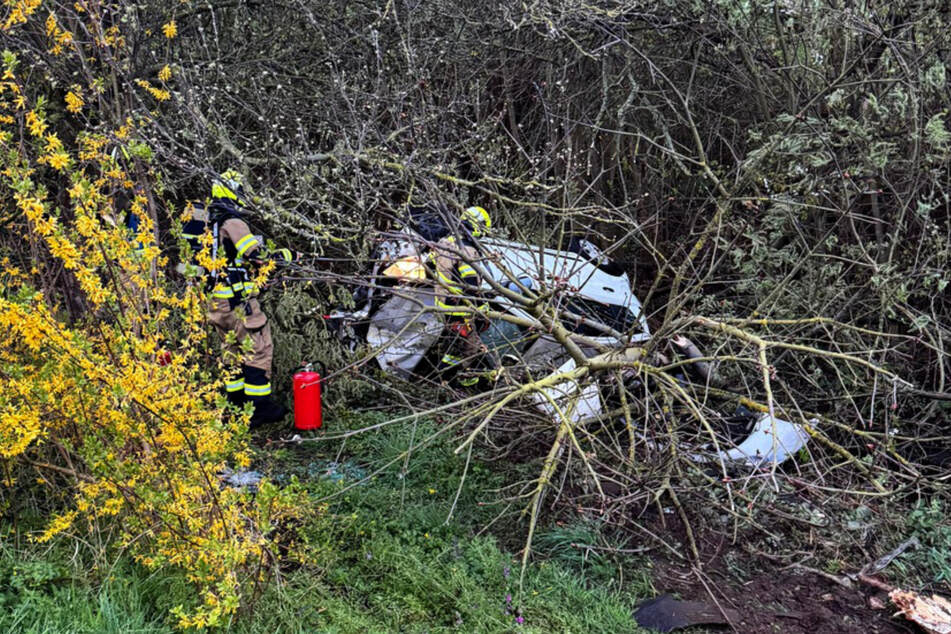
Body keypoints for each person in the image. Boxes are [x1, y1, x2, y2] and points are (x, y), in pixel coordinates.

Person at [184, 169, 295, 426]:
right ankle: (258, 410)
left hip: (213, 301)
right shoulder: (232, 221)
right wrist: (287, 256)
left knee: (231, 351)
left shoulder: (201, 218)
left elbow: (187, 263)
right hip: (238, 303)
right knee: (258, 349)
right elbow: (258, 255)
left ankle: (233, 405)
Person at [431, 206, 494, 387]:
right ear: (477, 225)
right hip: (459, 306)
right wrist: (482, 309)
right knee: (470, 346)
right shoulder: (467, 249)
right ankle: (458, 383)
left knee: (455, 346)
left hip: (445, 304)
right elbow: (471, 285)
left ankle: (444, 380)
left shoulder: (447, 242)